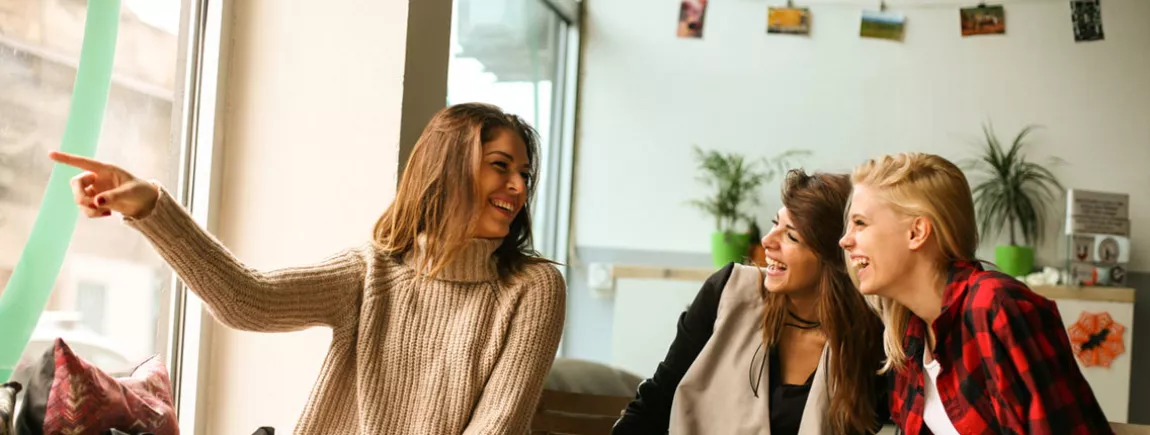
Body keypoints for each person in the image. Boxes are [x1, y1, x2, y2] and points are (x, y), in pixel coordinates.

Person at [50, 103, 567, 434]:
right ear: (447, 167)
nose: (519, 187)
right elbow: (247, 301)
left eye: (524, 172)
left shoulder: (532, 288)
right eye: (500, 166)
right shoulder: (372, 271)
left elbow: (495, 428)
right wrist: (150, 207)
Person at [839, 152, 1112, 434]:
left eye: (860, 223)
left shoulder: (997, 306)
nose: (845, 240)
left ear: (916, 232)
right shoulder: (910, 334)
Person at [613, 170, 888, 435]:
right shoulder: (728, 293)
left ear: (834, 257)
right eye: (774, 224)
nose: (767, 241)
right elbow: (655, 402)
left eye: (791, 236)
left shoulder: (867, 338)